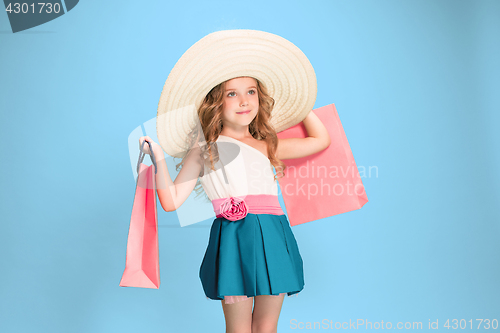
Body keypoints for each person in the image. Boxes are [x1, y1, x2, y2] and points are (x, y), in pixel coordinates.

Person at [139, 30, 330, 333]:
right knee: (239, 330)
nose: (244, 101)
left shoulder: (267, 144)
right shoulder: (204, 150)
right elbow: (170, 201)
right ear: (215, 102)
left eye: (251, 91)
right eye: (232, 93)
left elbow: (321, 140)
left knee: (266, 327)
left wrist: (302, 104)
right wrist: (159, 160)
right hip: (233, 237)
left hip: (273, 233)